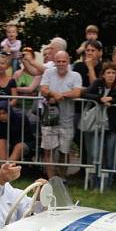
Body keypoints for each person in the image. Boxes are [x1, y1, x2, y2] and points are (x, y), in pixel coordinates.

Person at [83, 62, 116, 186]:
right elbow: (85, 93)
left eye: (113, 73)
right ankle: (94, 182)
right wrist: (100, 99)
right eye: (108, 72)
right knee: (95, 154)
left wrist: (112, 100)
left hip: (112, 126)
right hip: (96, 125)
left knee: (110, 154)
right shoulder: (98, 84)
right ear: (103, 75)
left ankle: (108, 183)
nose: (111, 75)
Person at [39, 50, 82, 179]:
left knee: (65, 151)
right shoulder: (48, 72)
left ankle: (62, 180)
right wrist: (53, 94)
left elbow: (77, 92)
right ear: (55, 62)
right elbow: (43, 89)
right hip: (49, 119)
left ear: (68, 61)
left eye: (64, 61)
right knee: (48, 150)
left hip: (67, 120)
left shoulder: (75, 75)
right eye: (59, 61)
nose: (61, 64)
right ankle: (51, 180)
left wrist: (60, 95)